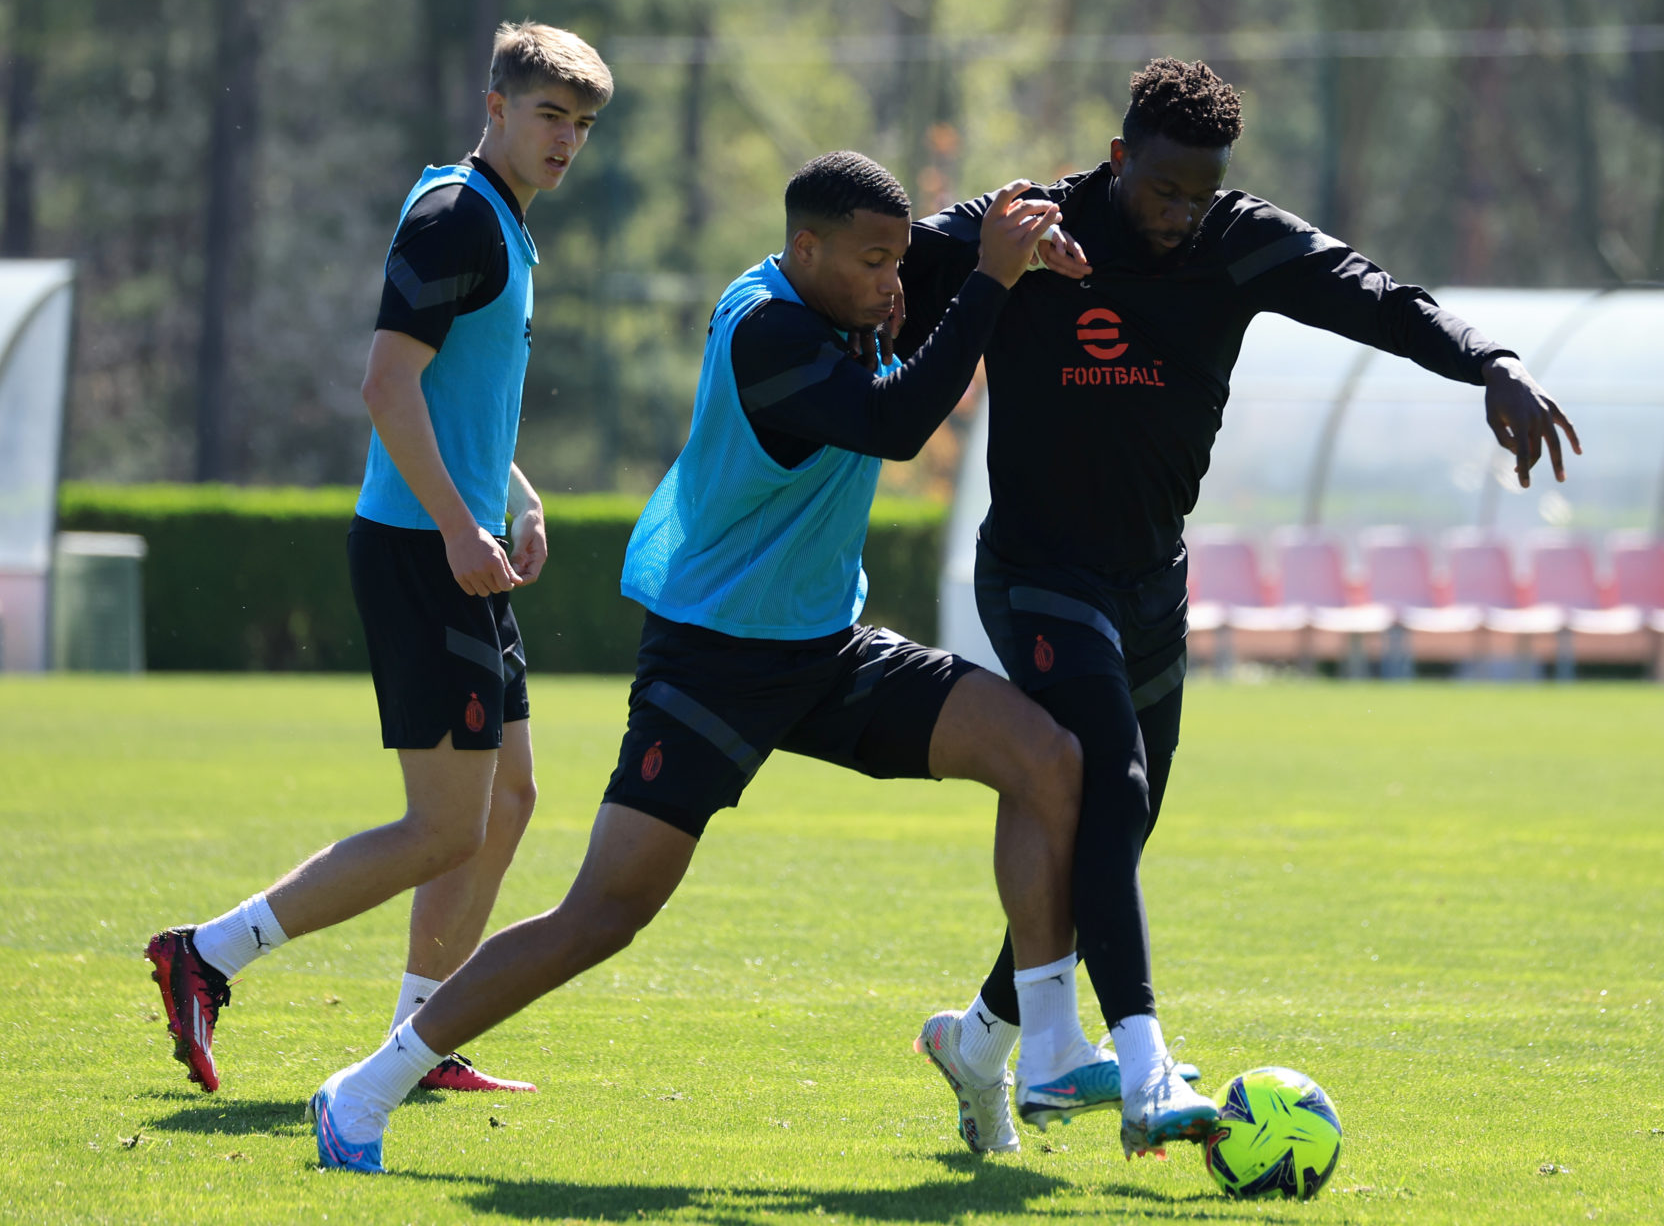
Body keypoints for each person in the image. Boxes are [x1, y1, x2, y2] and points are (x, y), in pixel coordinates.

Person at [306, 153, 1089, 1173]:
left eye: (899, 258)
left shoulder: (847, 272)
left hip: (824, 645)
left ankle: (1021, 1048)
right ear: (804, 247)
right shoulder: (767, 328)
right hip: (714, 657)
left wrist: (1065, 203)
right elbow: (897, 425)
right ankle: (364, 1088)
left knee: (1047, 756)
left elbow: (971, 220)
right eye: (872, 261)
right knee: (605, 912)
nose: (893, 281)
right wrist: (989, 280)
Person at [900, 57, 1581, 1157]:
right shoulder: (1026, 224)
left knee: (1119, 823)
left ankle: (980, 1042)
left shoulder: (1237, 238)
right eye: (1162, 189)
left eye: (1199, 194)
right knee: (1106, 784)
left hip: (1151, 585)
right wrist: (796, 296)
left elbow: (1375, 294)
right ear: (1118, 158)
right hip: (1035, 571)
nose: (1179, 215)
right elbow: (888, 254)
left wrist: (1490, 361)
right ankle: (1139, 1066)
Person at [145, 22, 613, 1096]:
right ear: (495, 106)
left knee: (510, 799)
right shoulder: (458, 217)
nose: (566, 142)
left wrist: (514, 493)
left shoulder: (500, 218)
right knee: (445, 824)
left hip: (455, 538)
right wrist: (458, 524)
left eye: (582, 126)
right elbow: (386, 385)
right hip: (418, 549)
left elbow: (456, 395)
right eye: (549, 115)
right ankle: (207, 953)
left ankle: (421, 1037)